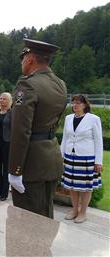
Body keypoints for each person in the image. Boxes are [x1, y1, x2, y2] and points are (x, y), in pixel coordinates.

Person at [8, 38, 67, 219]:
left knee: (27, 223)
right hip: (51, 159)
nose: (22, 62)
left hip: (31, 165)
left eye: (23, 58)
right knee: (46, 214)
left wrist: (15, 170)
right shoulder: (60, 84)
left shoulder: (27, 85)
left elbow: (20, 131)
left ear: (30, 59)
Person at [60, 95, 103, 223]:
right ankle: (74, 210)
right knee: (72, 186)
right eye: (73, 103)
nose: (75, 105)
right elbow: (65, 138)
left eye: (78, 103)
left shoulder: (93, 119)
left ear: (84, 105)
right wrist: (61, 156)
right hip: (70, 156)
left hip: (86, 158)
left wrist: (98, 161)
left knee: (85, 187)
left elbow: (98, 141)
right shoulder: (68, 118)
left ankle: (83, 212)